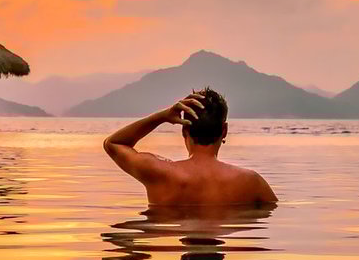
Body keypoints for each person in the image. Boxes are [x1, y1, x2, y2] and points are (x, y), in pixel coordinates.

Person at [102, 89, 277, 208]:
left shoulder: (158, 172)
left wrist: (162, 116)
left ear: (184, 130)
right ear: (224, 131)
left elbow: (113, 144)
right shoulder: (251, 182)